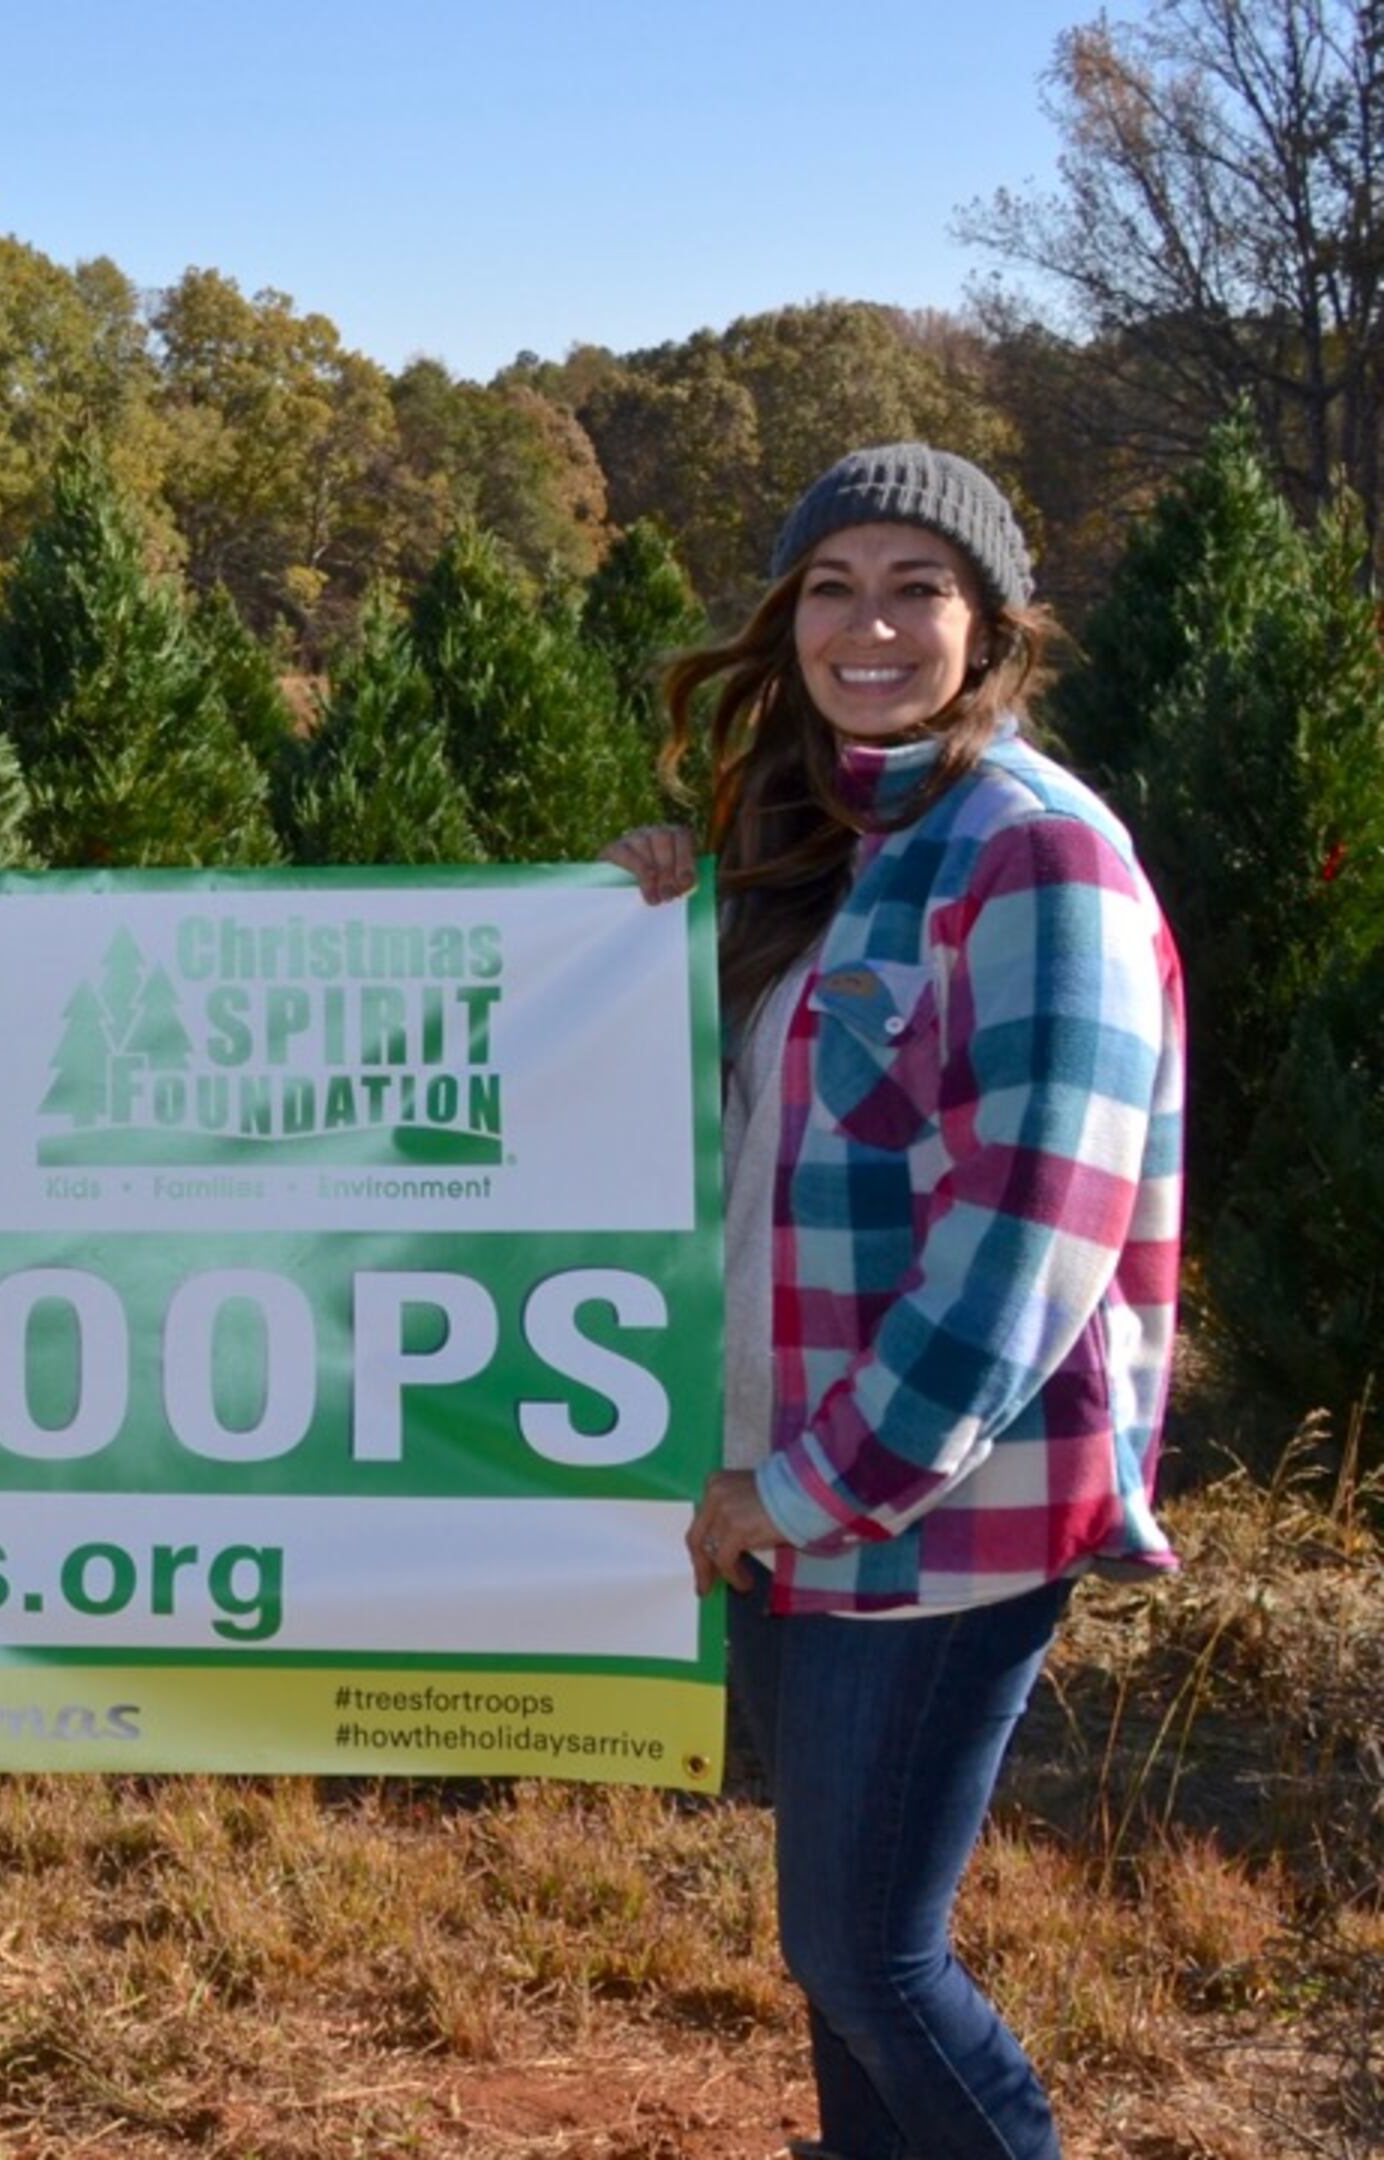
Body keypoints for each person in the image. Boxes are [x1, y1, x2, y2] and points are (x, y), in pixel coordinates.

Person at [603, 444, 1183, 2160]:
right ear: (788, 621)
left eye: (916, 588)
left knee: (868, 1950)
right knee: (833, 1962)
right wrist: (649, 916)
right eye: (832, 587)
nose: (871, 625)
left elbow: (1021, 1254)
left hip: (933, 1513)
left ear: (988, 620)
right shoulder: (839, 836)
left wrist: (794, 1494)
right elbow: (730, 1129)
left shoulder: (1037, 857)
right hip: (794, 1499)